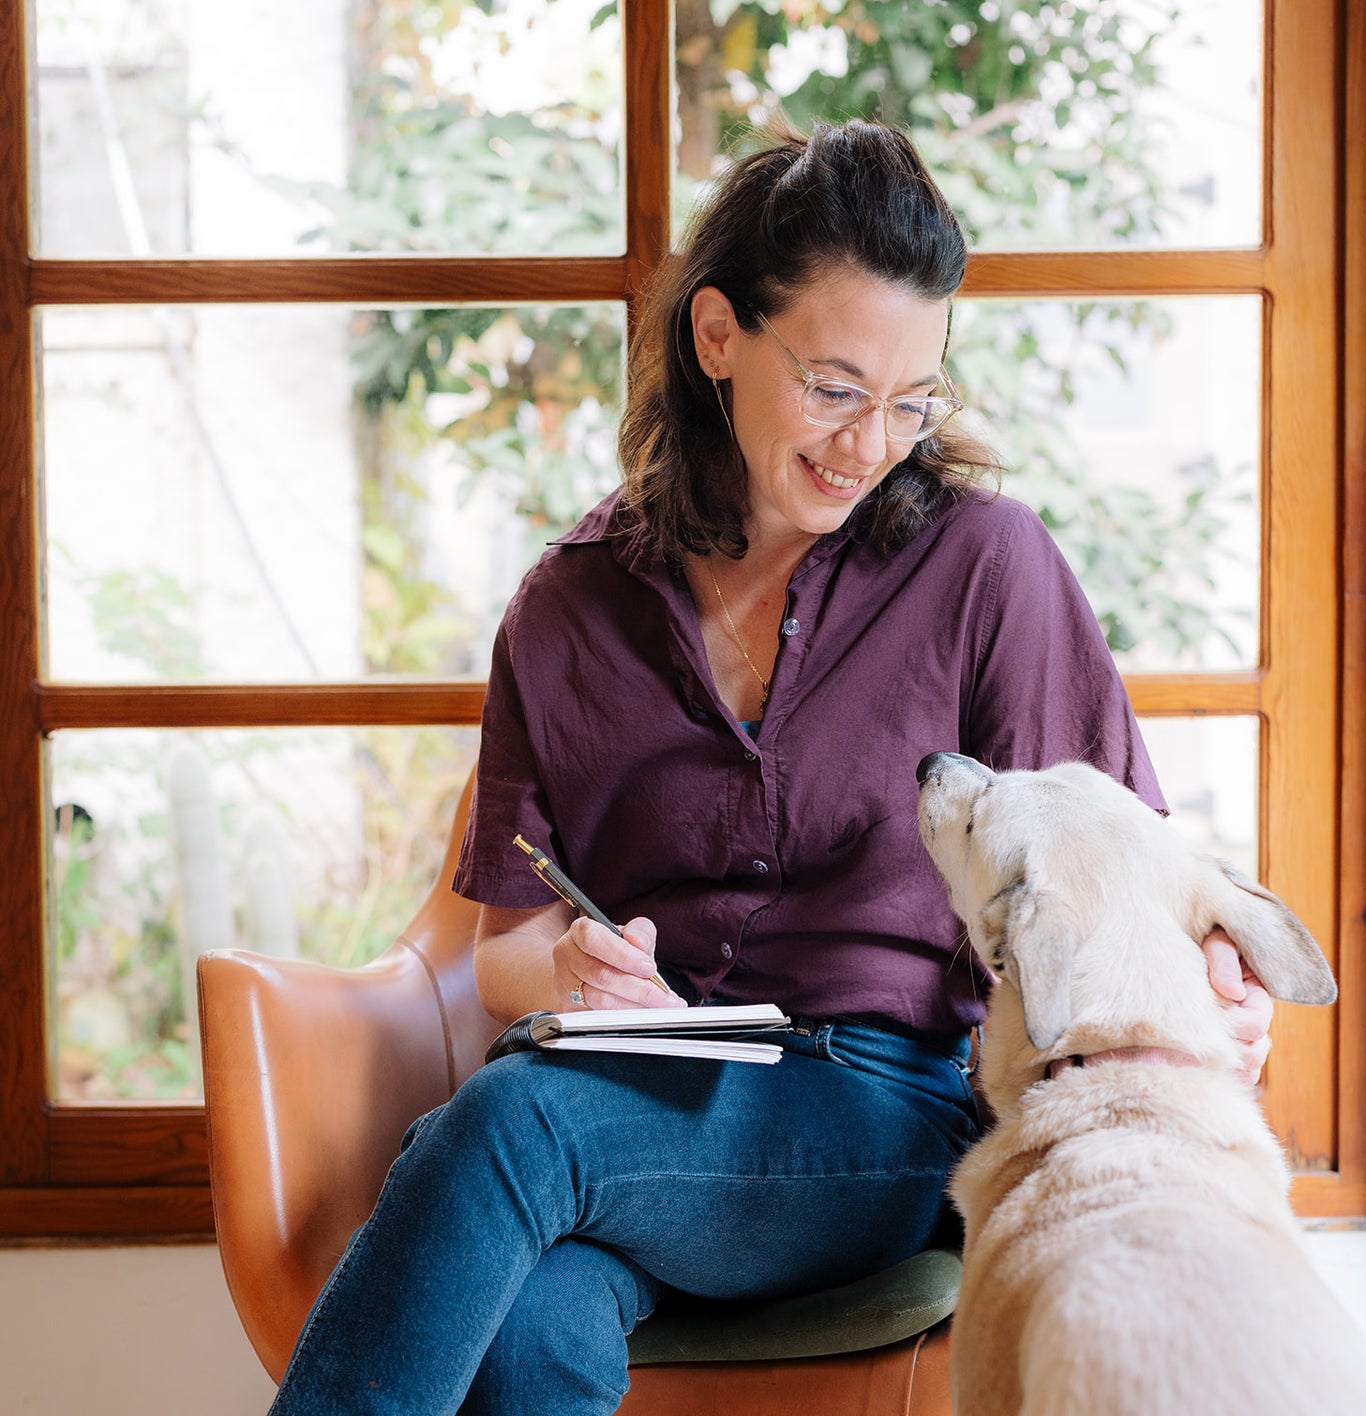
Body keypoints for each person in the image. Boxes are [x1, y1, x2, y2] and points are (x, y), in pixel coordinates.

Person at [267, 118, 1273, 1416]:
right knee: (534, 1311)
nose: (870, 443)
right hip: (636, 1102)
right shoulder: (566, 609)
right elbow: (505, 946)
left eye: (912, 402)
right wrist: (573, 974)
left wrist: (1215, 986)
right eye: (836, 389)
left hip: (884, 1114)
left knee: (509, 1122)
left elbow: (1109, 860)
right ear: (718, 337)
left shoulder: (986, 569)